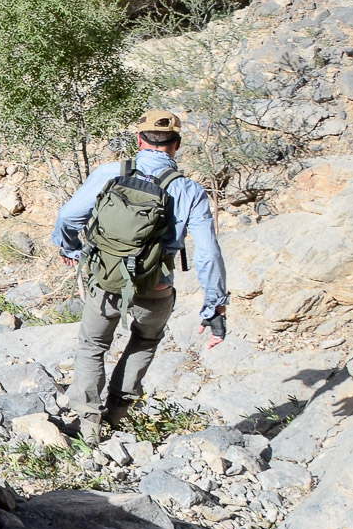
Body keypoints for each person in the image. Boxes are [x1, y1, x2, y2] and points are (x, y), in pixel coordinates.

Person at [53, 109, 228, 441]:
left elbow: (68, 216)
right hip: (156, 285)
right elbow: (208, 253)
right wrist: (214, 305)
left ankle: (89, 424)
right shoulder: (190, 190)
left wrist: (71, 248)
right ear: (176, 145)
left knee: (92, 344)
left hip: (106, 280)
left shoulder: (109, 173)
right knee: (144, 340)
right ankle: (117, 414)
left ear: (139, 140)